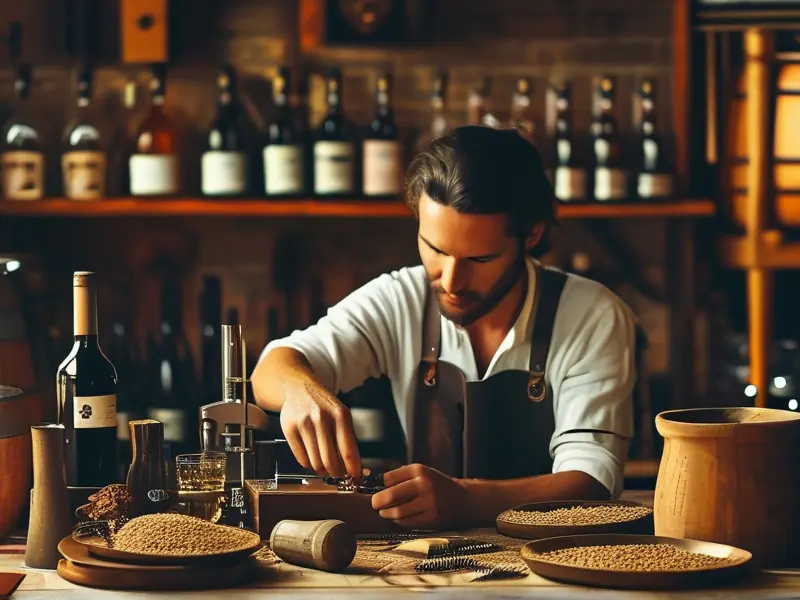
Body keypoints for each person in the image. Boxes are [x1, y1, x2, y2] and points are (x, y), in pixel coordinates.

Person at [252, 125, 637, 530]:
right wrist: (301, 389)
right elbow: (274, 365)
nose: (451, 281)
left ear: (532, 235)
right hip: (423, 563)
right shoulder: (401, 298)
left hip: (557, 558)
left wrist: (467, 500)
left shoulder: (592, 316)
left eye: (480, 259)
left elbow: (592, 485)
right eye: (435, 250)